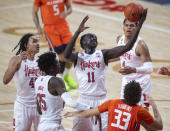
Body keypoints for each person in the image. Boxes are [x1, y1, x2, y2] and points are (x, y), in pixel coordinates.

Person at [64, 9, 147, 131]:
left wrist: (139, 27)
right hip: (83, 100)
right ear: (82, 44)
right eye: (90, 37)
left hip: (100, 101)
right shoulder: (78, 57)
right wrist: (77, 32)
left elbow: (127, 47)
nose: (93, 38)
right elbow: (66, 55)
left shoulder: (103, 54)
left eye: (95, 37)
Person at [64, 81, 163, 131]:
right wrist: (154, 105)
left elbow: (88, 113)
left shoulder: (112, 103)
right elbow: (159, 126)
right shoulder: (140, 111)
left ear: (125, 93)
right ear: (138, 96)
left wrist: (74, 113)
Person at [35, 51, 90, 131]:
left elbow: (39, 110)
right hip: (53, 127)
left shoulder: (38, 81)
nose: (59, 64)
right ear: (51, 67)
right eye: (57, 63)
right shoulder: (56, 81)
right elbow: (71, 103)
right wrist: (90, 108)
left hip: (42, 126)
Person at [109, 16, 153, 109]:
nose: (128, 27)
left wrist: (134, 70)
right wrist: (105, 60)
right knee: (124, 108)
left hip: (142, 82)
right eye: (126, 25)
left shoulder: (140, 45)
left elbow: (150, 69)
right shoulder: (119, 39)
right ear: (123, 26)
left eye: (132, 26)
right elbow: (121, 55)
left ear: (137, 28)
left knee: (142, 111)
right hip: (127, 79)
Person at [32, 0, 77, 91]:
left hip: (63, 26)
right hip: (50, 28)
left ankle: (66, 75)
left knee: (72, 55)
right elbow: (34, 12)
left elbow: (69, 8)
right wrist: (38, 27)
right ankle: (61, 79)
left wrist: (66, 12)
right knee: (61, 56)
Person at [3, 33, 41, 131]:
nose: (38, 44)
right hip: (23, 107)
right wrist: (18, 62)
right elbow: (5, 80)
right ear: (26, 45)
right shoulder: (16, 59)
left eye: (38, 41)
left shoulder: (41, 61)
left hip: (39, 107)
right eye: (34, 42)